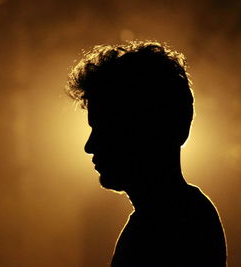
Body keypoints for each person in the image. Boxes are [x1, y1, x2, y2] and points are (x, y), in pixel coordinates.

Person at [66, 41, 227, 267]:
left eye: (105, 129)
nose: (89, 146)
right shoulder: (183, 216)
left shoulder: (168, 227)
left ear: (146, 131)